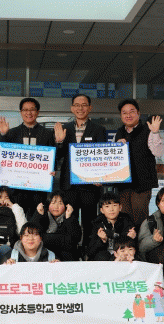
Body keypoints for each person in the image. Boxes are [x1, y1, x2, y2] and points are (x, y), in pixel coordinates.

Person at [54, 94, 108, 242]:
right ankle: (70, 249)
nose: (80, 108)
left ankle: (88, 250)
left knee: (89, 221)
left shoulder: (99, 129)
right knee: (69, 220)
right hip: (69, 185)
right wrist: (59, 142)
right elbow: (57, 156)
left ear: (90, 108)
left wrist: (101, 177)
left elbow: (103, 156)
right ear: (72, 108)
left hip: (90, 185)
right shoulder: (64, 129)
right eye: (77, 105)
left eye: (84, 105)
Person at [0, 97, 56, 218]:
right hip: (17, 188)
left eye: (32, 109)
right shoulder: (12, 133)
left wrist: (52, 169)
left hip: (39, 187)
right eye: (25, 110)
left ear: (37, 112)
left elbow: (54, 157)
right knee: (17, 218)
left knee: (38, 218)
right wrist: (3, 135)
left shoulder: (47, 134)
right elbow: (2, 155)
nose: (29, 113)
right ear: (21, 112)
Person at [5, 222, 60, 324]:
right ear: (21, 238)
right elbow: (1, 283)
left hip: (43, 307)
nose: (30, 239)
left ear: (41, 238)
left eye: (35, 235)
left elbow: (59, 284)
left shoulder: (50, 256)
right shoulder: (11, 256)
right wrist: (5, 268)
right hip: (18, 307)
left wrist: (58, 269)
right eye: (26, 235)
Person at [112, 98, 164, 229]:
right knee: (124, 219)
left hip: (142, 184)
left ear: (138, 113)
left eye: (132, 111)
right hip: (123, 184)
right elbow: (113, 158)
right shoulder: (119, 132)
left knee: (140, 220)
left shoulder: (148, 129)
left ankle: (141, 242)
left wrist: (155, 132)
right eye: (124, 113)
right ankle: (127, 242)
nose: (128, 115)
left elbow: (158, 152)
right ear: (121, 115)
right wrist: (116, 146)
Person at [93, 238, 139, 324]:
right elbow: (103, 282)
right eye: (122, 250)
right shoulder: (110, 264)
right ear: (115, 253)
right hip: (115, 298)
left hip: (133, 298)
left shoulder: (141, 263)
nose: (126, 253)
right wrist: (115, 265)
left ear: (135, 251)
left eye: (130, 249)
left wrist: (135, 265)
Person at [30, 190, 82, 261]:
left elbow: (73, 241)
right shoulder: (42, 216)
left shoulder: (70, 217)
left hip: (65, 258)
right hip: (45, 256)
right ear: (48, 204)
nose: (56, 206)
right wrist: (38, 215)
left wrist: (68, 218)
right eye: (53, 203)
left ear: (66, 205)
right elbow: (34, 237)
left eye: (60, 203)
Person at [86, 192, 136, 261]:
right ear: (101, 210)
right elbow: (90, 252)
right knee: (102, 255)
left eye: (114, 205)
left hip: (122, 256)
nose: (111, 209)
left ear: (120, 207)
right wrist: (102, 240)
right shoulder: (96, 223)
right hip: (102, 259)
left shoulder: (127, 221)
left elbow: (135, 248)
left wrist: (131, 239)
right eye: (107, 206)